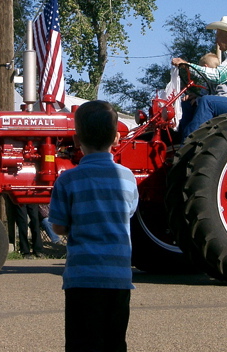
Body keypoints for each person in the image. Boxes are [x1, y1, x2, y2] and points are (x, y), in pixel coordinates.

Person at [49, 100, 139, 351]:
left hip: (82, 278)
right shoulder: (128, 177)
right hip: (118, 277)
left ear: (76, 140)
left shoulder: (68, 180)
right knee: (114, 342)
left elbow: (58, 226)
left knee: (81, 343)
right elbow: (127, 213)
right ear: (117, 138)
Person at [172, 16, 227, 140]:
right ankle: (178, 141)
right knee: (188, 103)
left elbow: (218, 76)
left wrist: (187, 65)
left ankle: (189, 144)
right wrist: (197, 96)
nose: (215, 41)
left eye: (218, 35)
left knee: (207, 102)